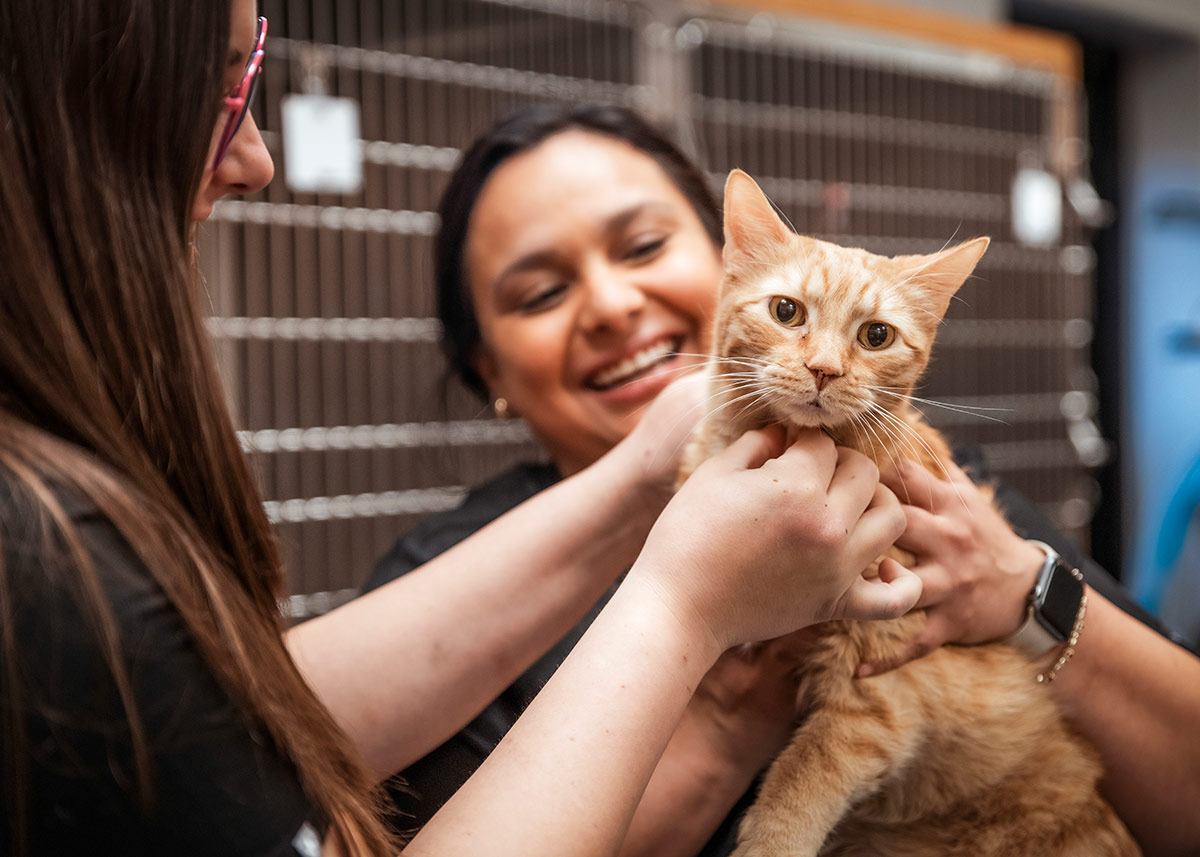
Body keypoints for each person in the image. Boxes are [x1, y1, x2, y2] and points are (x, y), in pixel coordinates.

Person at [0, 3, 925, 857]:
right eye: (228, 87)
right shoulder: (53, 557)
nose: (255, 159)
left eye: (644, 245)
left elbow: (240, 715)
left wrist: (658, 468)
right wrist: (687, 605)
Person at [364, 103, 1200, 857]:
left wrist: (1031, 594)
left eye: (646, 246)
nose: (613, 305)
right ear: (484, 364)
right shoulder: (434, 586)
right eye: (542, 291)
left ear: (724, 259)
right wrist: (736, 703)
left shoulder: (920, 481)